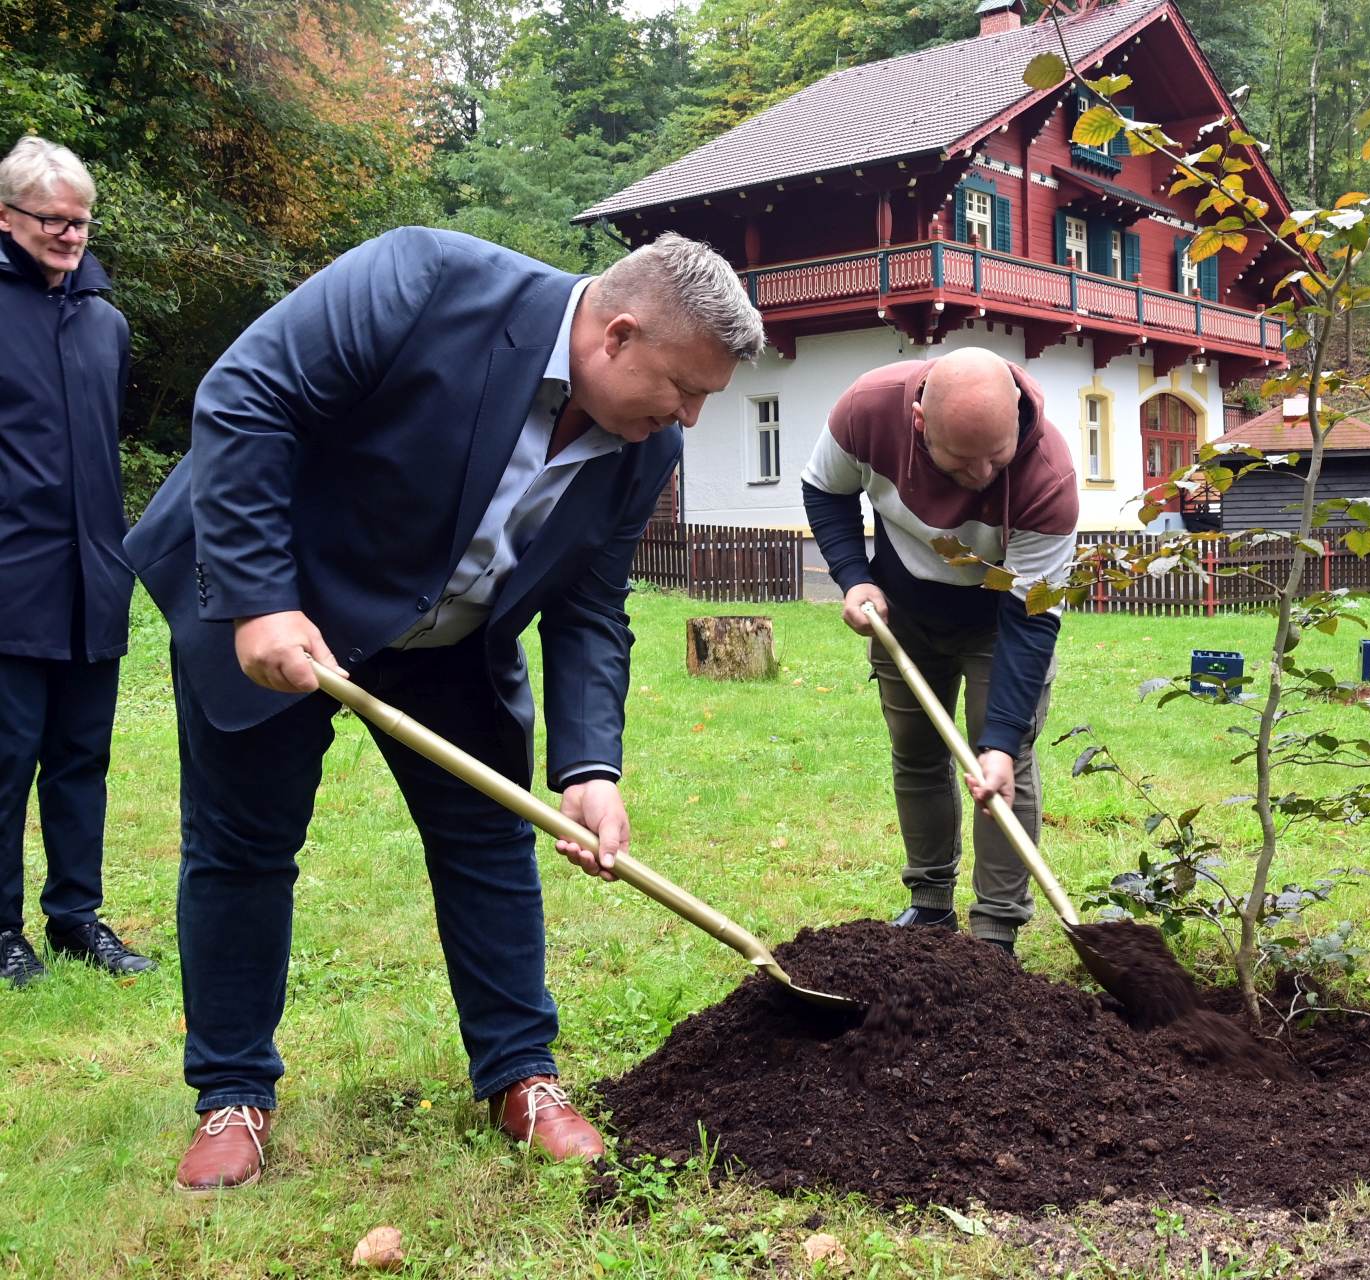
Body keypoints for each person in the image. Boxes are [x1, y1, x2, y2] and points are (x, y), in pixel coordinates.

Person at [124, 226, 761, 1192]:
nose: (692, 417)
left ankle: (521, 1075)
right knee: (242, 845)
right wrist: (258, 598)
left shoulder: (645, 445)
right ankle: (233, 1093)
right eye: (685, 388)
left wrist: (592, 767)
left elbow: (591, 604)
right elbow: (246, 395)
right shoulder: (422, 282)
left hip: (454, 633)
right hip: (289, 593)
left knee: (489, 839)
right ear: (618, 335)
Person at [801, 348, 1077, 955]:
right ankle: (929, 905)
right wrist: (853, 577)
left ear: (1016, 418)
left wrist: (1000, 740)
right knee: (917, 751)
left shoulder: (1048, 477)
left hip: (1001, 622)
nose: (982, 474)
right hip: (903, 610)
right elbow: (825, 489)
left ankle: (995, 931)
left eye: (996, 456)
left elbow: (1032, 617)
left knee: (1002, 765)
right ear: (920, 422)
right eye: (961, 459)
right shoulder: (866, 411)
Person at [0, 137, 153, 988]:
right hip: (9, 579)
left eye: (82, 221)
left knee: (80, 759)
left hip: (94, 581)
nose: (70, 234)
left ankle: (74, 919)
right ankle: (0, 931)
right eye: (54, 220)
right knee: (4, 763)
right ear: (6, 216)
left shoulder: (107, 324)